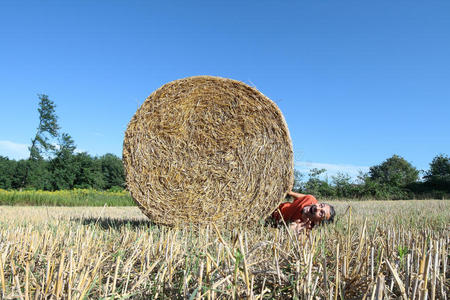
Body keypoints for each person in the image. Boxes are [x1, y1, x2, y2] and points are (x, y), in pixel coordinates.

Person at [271, 191, 335, 234]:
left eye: (321, 213)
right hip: (273, 206)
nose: (317, 208)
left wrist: (291, 230)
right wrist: (289, 192)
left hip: (270, 220)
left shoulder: (304, 227)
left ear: (317, 222)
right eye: (321, 205)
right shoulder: (310, 199)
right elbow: (299, 196)